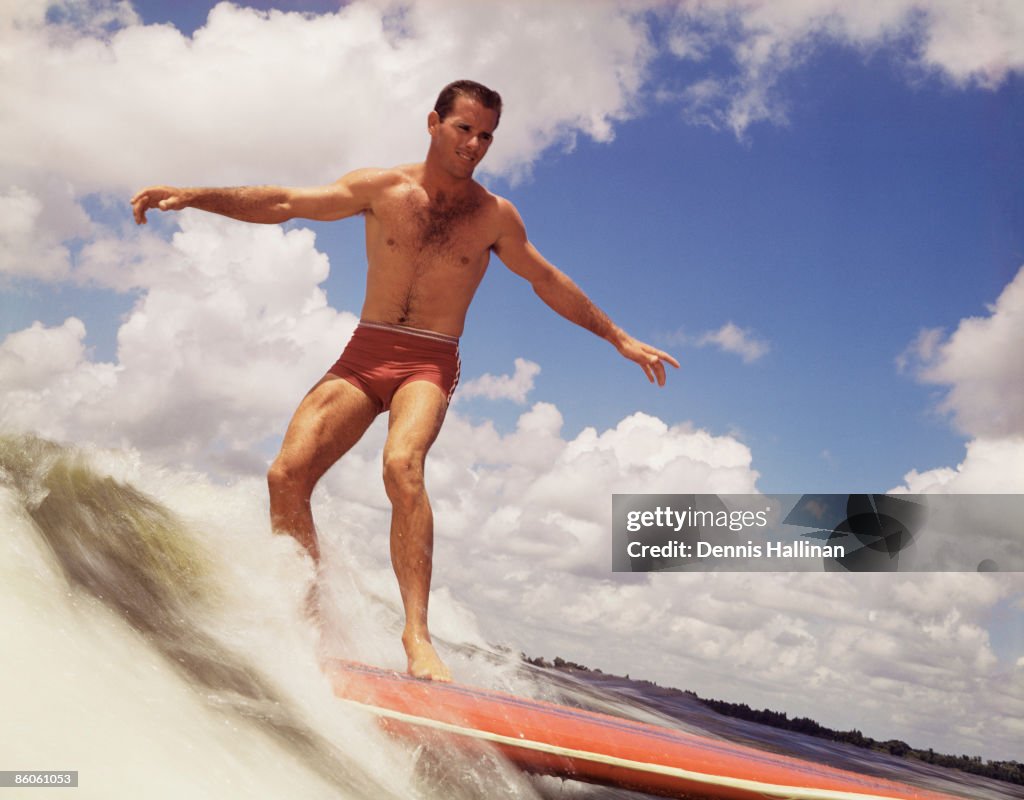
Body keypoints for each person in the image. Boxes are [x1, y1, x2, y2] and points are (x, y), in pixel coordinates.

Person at [131, 80, 679, 682]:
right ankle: (306, 619)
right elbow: (286, 202)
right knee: (285, 474)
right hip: (364, 354)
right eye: (464, 128)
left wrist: (618, 337)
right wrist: (193, 195)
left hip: (429, 361)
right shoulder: (381, 188)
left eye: (487, 135)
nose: (475, 144)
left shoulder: (494, 216)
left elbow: (545, 279)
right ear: (433, 123)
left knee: (402, 465)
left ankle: (417, 638)